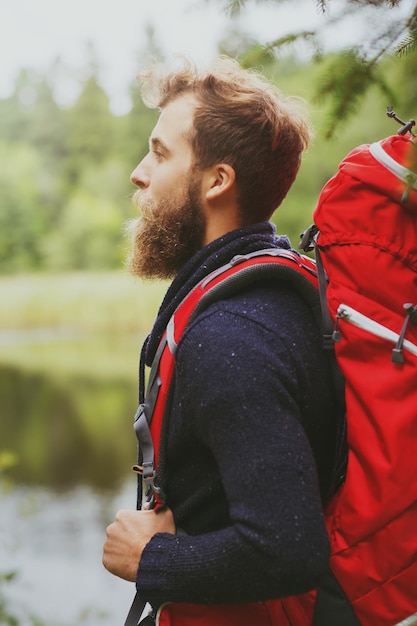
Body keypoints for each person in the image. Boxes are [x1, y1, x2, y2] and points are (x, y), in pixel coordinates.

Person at [102, 56, 337, 624]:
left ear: (216, 181)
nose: (140, 172)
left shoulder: (233, 336)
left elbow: (288, 547)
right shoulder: (265, 293)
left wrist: (152, 558)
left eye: (160, 153)